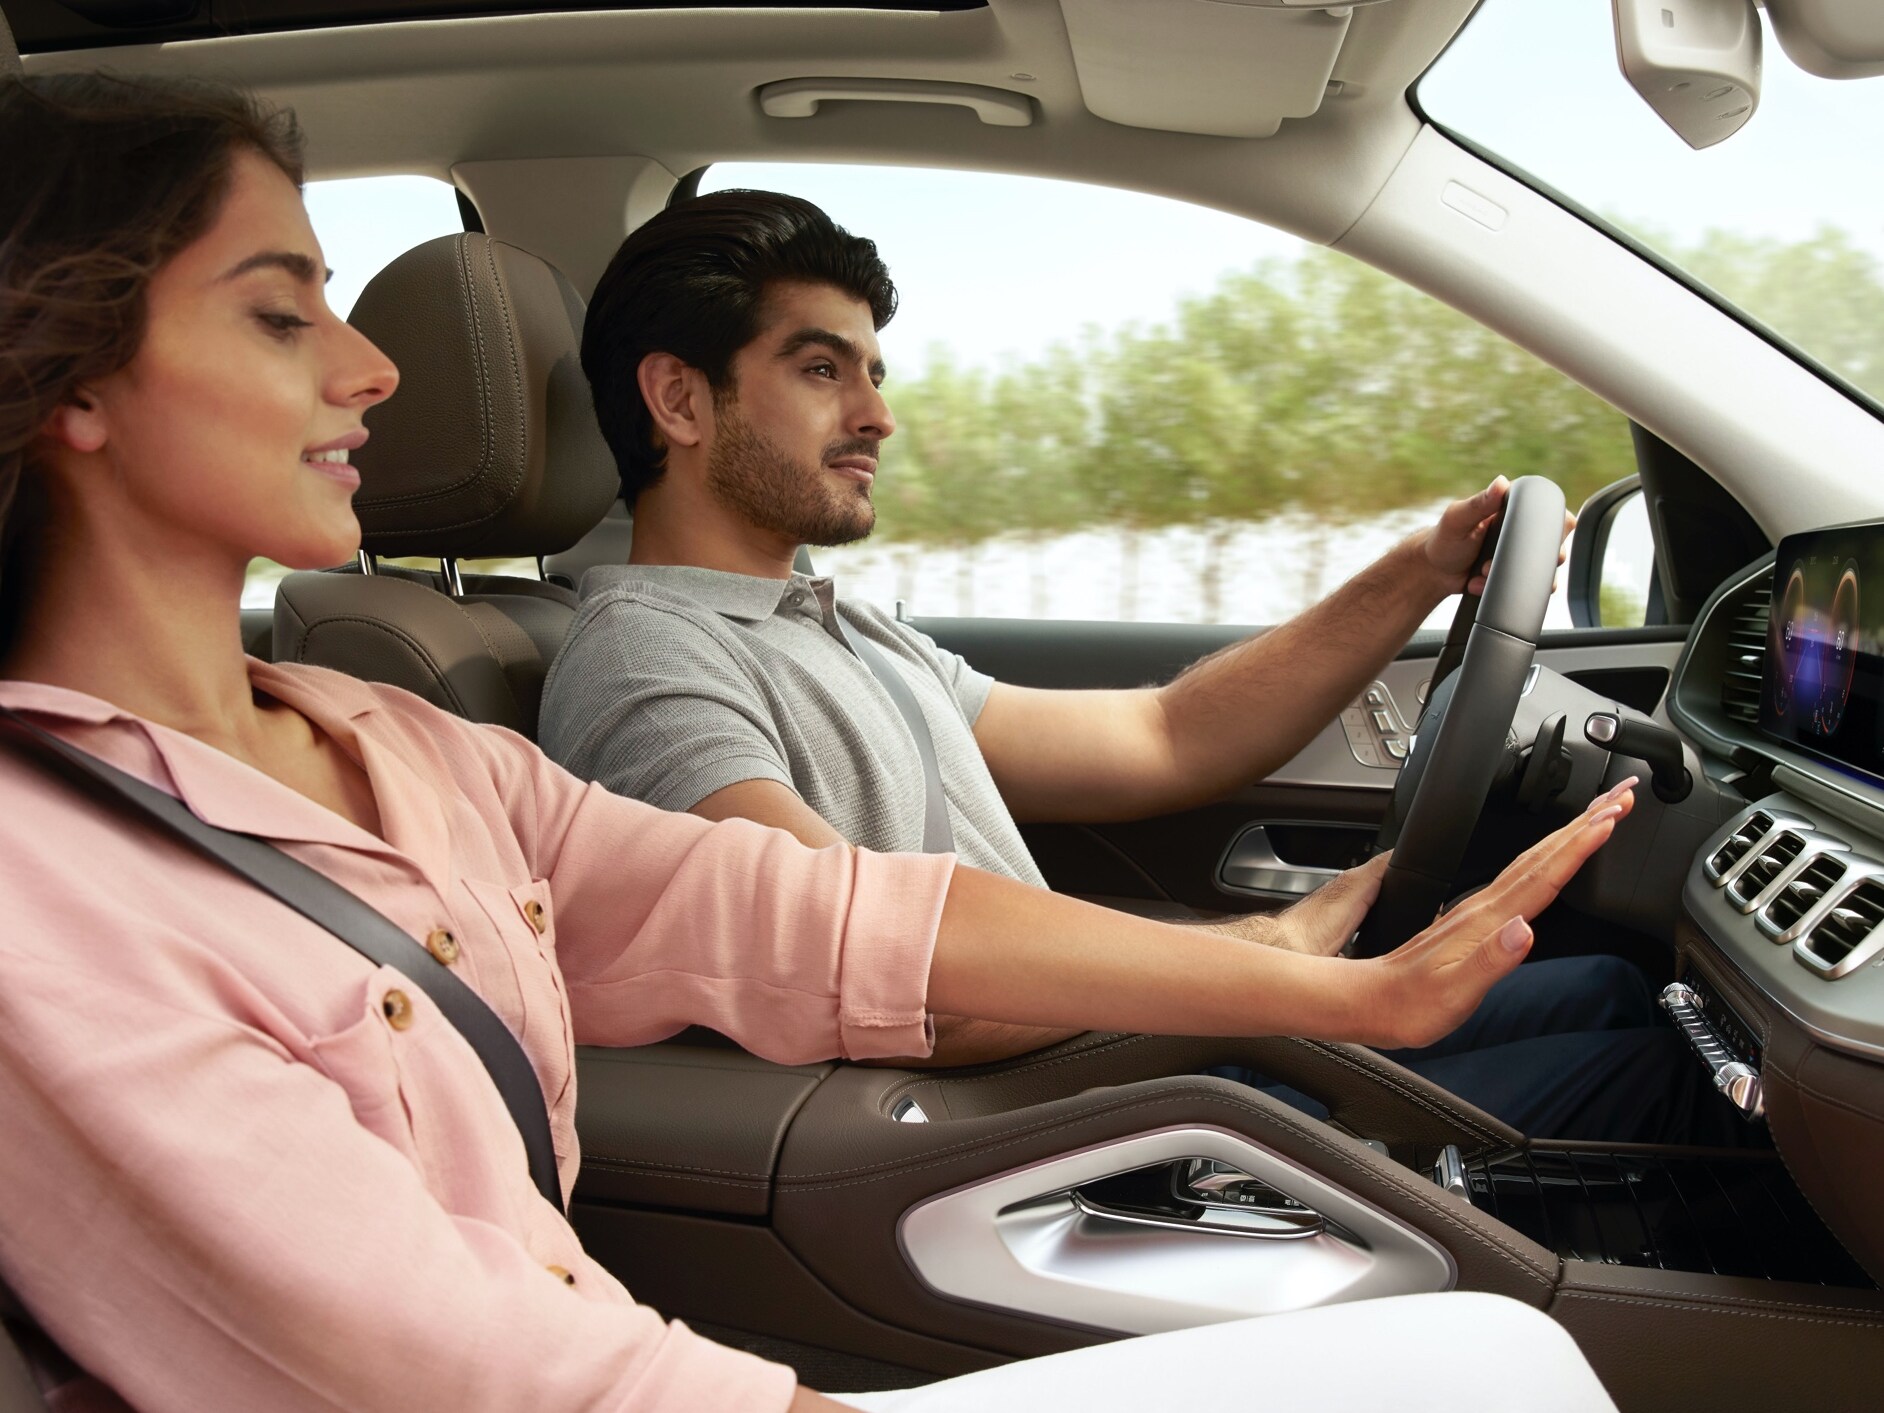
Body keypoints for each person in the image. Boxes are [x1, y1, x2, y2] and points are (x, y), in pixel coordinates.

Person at [0, 72, 1628, 1412]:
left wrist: (1310, 970)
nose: (372, 369)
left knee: (1511, 1352)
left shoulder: (401, 740)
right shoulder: (40, 900)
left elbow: (818, 912)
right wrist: (1261, 984)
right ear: (76, 382)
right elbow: (451, 1360)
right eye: (283, 315)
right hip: (873, 1227)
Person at [541, 191, 1729, 1144]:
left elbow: (1165, 739)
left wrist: (1415, 572)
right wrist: (1263, 952)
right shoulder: (648, 663)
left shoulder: (839, 626)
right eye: (821, 370)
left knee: (1616, 1001)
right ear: (679, 400)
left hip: (1093, 1064)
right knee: (1664, 1086)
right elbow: (863, 958)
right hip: (1027, 1136)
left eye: (874, 373)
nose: (878, 416)